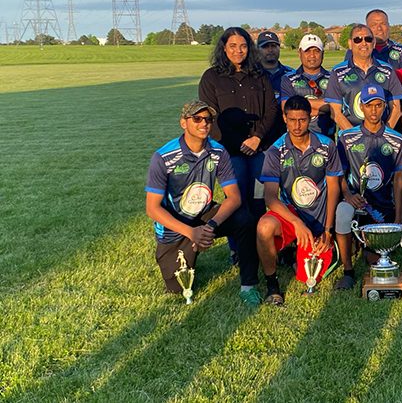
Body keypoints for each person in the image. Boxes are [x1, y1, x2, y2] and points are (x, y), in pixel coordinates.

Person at [144, 100, 263, 307]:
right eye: (197, 119)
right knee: (177, 289)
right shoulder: (163, 156)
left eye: (208, 119)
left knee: (244, 218)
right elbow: (152, 208)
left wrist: (210, 226)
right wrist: (191, 233)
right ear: (183, 123)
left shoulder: (218, 152)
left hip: (205, 216)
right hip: (176, 224)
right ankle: (186, 254)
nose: (204, 124)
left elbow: (234, 197)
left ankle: (249, 286)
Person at [199, 26, 278, 264]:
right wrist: (239, 143)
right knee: (235, 202)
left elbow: (271, 110)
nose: (238, 51)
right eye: (232, 46)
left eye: (243, 46)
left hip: (258, 152)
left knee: (258, 200)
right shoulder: (211, 77)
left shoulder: (259, 74)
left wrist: (257, 138)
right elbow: (210, 117)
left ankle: (259, 246)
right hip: (229, 153)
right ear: (223, 48)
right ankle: (237, 250)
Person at [255, 96, 343, 305]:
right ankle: (272, 284)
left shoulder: (327, 145)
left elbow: (333, 188)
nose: (297, 125)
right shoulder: (275, 151)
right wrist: (296, 223)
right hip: (291, 215)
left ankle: (294, 255)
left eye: (302, 120)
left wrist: (328, 230)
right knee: (264, 226)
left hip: (319, 217)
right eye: (292, 119)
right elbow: (269, 196)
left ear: (310, 117)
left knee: (308, 276)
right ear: (284, 118)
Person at [333, 84, 402, 290]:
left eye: (378, 105)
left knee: (374, 258)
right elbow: (339, 173)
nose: (373, 111)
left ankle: (367, 246)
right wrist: (348, 195)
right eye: (369, 105)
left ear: (385, 106)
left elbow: (399, 179)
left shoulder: (396, 139)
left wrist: (399, 218)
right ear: (361, 106)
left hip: (382, 207)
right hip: (356, 201)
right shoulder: (346, 138)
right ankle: (348, 270)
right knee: (342, 213)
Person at [325, 23, 402, 131]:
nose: (363, 43)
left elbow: (396, 109)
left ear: (374, 43)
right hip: (350, 140)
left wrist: (384, 135)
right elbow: (335, 112)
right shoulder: (337, 72)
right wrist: (355, 137)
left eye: (368, 39)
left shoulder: (388, 70)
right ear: (350, 43)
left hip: (381, 139)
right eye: (358, 39)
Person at [281, 33, 335, 138]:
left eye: (316, 51)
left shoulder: (333, 77)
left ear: (323, 54)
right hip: (296, 140)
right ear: (300, 53)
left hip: (326, 139)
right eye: (307, 51)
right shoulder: (288, 79)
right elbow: (287, 108)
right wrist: (322, 105)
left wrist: (299, 104)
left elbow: (334, 106)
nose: (312, 55)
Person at [257, 30, 293, 148]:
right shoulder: (251, 75)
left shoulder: (291, 74)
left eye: (274, 46)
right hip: (260, 137)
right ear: (258, 50)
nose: (270, 49)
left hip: (286, 134)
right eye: (265, 46)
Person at [366, 9, 402, 86]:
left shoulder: (401, 50)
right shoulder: (357, 50)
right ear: (367, 28)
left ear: (388, 26)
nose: (379, 28)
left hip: (396, 96)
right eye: (374, 25)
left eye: (383, 24)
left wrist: (379, 78)